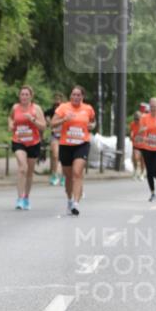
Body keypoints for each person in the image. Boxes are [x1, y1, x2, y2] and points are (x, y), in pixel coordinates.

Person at [50, 86, 96, 215]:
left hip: (82, 144)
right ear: (70, 96)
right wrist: (64, 119)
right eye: (73, 95)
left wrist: (92, 125)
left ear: (82, 97)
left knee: (77, 172)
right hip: (66, 144)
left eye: (78, 95)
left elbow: (92, 122)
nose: (76, 97)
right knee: (68, 176)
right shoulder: (63, 108)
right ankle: (70, 199)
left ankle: (76, 203)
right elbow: (52, 123)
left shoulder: (88, 109)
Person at [9, 86, 46, 209]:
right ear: (19, 96)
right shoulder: (15, 108)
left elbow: (43, 127)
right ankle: (19, 198)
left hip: (33, 143)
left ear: (31, 96)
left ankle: (26, 197)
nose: (24, 97)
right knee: (22, 168)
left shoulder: (36, 109)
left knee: (29, 172)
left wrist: (33, 120)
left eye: (26, 94)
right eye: (22, 94)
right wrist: (10, 124)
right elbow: (10, 118)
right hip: (18, 141)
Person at [135, 97, 156, 201]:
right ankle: (152, 193)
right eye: (151, 107)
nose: (153, 109)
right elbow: (139, 132)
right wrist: (142, 130)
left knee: (155, 169)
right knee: (149, 172)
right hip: (147, 147)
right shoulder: (144, 117)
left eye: (154, 107)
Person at [43, 92, 64, 185]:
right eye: (55, 100)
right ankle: (55, 175)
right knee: (55, 155)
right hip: (55, 136)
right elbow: (43, 115)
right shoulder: (51, 111)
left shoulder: (65, 110)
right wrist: (47, 121)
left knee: (63, 157)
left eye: (59, 100)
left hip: (65, 136)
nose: (57, 102)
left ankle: (63, 176)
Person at [129, 110, 145, 180]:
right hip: (135, 144)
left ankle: (142, 173)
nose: (136, 120)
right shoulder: (132, 124)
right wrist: (131, 135)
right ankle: (135, 170)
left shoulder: (144, 124)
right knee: (135, 158)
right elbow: (132, 131)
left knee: (142, 160)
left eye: (137, 119)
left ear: (140, 118)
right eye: (135, 119)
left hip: (143, 144)